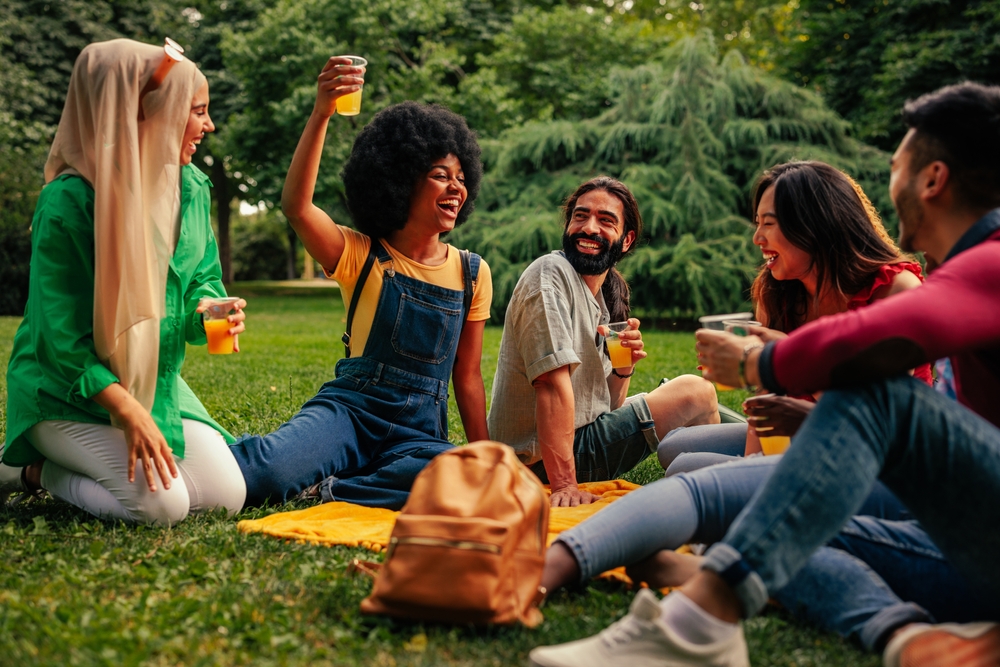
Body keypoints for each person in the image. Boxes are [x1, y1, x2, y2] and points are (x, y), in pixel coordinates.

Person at [530, 82, 1000, 667]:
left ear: (931, 179)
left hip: (962, 519)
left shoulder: (991, 261)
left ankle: (696, 620)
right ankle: (906, 639)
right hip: (953, 545)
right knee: (751, 510)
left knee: (874, 396)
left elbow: (888, 338)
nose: (889, 183)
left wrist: (763, 361)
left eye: (897, 166)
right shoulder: (945, 270)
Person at [226, 58, 492, 511]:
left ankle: (334, 488)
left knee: (468, 478)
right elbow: (296, 206)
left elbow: (466, 377)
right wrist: (322, 112)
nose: (456, 188)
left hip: (417, 436)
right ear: (402, 180)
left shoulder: (472, 272)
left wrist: (490, 457)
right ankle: (224, 455)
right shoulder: (361, 254)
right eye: (440, 175)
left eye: (461, 178)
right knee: (264, 475)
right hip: (349, 414)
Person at [2, 39, 248, 525]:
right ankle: (31, 473)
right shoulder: (68, 203)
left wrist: (209, 311)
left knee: (224, 495)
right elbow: (60, 339)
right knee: (162, 507)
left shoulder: (192, 188)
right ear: (149, 111)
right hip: (66, 391)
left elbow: (203, 279)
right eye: (197, 111)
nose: (208, 126)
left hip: (152, 385)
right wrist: (128, 411)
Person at [658, 162, 929, 476]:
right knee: (673, 445)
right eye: (757, 223)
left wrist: (787, 358)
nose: (757, 238)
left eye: (769, 224)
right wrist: (751, 462)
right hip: (794, 437)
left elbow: (873, 413)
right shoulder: (778, 292)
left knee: (683, 467)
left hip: (872, 451)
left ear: (815, 225)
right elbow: (768, 401)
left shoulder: (895, 290)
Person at [487, 177, 720, 507]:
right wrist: (565, 485)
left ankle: (699, 481)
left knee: (679, 396)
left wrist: (622, 369)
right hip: (535, 466)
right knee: (696, 392)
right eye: (580, 216)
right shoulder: (549, 275)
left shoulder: (603, 298)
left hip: (574, 439)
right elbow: (551, 387)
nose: (588, 227)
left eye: (605, 220)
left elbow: (604, 407)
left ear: (626, 240)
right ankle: (711, 492)